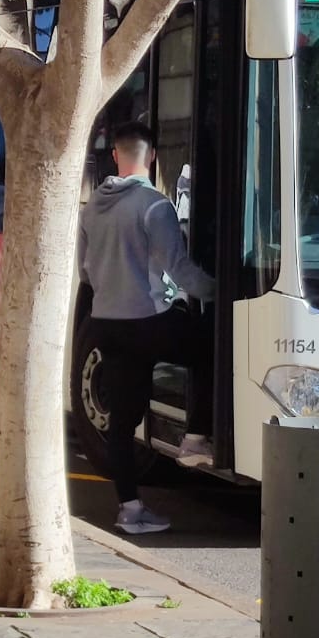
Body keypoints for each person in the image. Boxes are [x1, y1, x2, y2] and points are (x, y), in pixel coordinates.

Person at [77, 121, 216, 536]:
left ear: (116, 156)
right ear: (152, 156)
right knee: (209, 348)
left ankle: (130, 509)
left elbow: (85, 271)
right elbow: (179, 269)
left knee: (120, 423)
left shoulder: (90, 208)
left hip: (105, 323)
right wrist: (218, 290)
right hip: (149, 320)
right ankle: (194, 438)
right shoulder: (155, 206)